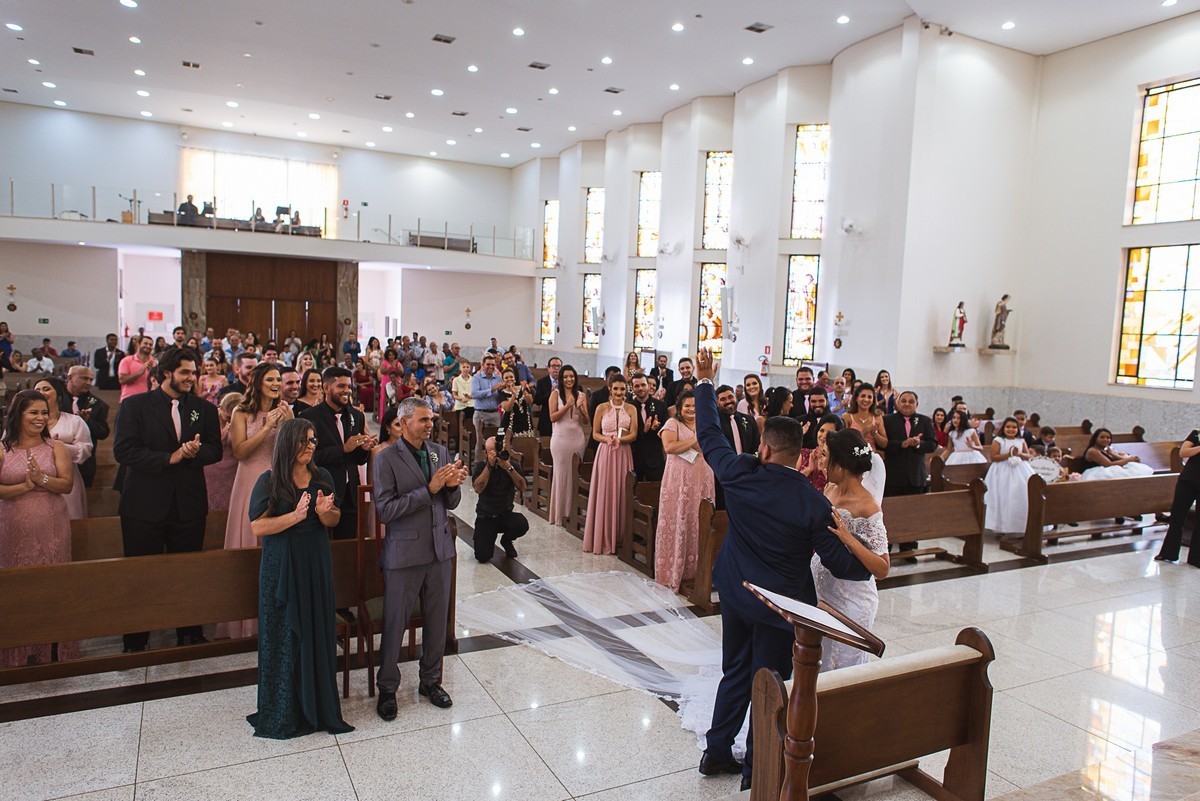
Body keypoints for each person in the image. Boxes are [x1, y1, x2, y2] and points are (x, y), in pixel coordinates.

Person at [689, 350, 870, 789]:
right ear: (798, 452)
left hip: (736, 590)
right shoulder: (813, 502)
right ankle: (755, 769)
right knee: (769, 683)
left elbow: (710, 434)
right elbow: (843, 565)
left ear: (765, 447)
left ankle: (716, 751)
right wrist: (867, 553)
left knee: (735, 670)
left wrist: (705, 382)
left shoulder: (738, 473)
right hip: (780, 606)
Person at [245, 418, 354, 739]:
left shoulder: (322, 477)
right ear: (287, 443)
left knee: (316, 630)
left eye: (313, 441)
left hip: (314, 560)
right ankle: (284, 709)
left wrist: (323, 512)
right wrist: (293, 516)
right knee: (282, 633)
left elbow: (333, 519)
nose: (310, 446)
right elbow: (258, 527)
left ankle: (317, 706)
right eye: (304, 441)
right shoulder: (270, 481)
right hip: (281, 564)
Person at [113, 347, 221, 651]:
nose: (191, 377)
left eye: (193, 372)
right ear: (165, 374)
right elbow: (124, 450)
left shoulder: (204, 409)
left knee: (187, 571)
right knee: (141, 573)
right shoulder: (135, 406)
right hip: (143, 504)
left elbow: (216, 449)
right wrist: (169, 457)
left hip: (188, 504)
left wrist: (196, 453)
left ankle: (189, 631)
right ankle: (136, 636)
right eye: (185, 372)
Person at [372, 397, 468, 720]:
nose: (430, 425)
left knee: (437, 619)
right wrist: (429, 488)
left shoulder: (438, 452)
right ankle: (387, 687)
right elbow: (385, 511)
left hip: (440, 549)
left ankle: (431, 681)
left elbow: (449, 502)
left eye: (431, 420)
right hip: (405, 552)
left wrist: (452, 487)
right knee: (395, 622)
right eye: (424, 420)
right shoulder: (386, 459)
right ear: (405, 421)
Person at [0, 390, 76, 667]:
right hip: (12, 527)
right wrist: (24, 486)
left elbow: (66, 485)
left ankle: (52, 649)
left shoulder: (55, 448)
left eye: (44, 412)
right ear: (18, 414)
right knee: (17, 587)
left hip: (51, 525)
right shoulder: (2, 449)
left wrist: (41, 478)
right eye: (34, 412)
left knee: (51, 585)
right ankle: (17, 649)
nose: (41, 418)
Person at [219, 363, 292, 638]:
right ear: (258, 382)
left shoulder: (286, 410)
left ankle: (276, 615)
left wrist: (284, 422)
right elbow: (240, 452)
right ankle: (247, 621)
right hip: (250, 479)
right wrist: (266, 427)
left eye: (278, 379)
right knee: (251, 543)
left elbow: (292, 448)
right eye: (271, 379)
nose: (276, 384)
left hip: (278, 480)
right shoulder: (241, 412)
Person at [815, 429, 890, 671]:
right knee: (820, 662)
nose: (821, 459)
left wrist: (849, 539)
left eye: (826, 456)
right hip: (823, 592)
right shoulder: (830, 488)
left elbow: (883, 568)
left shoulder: (867, 507)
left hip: (851, 600)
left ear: (842, 466)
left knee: (844, 667)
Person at [300, 367, 373, 540]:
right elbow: (308, 457)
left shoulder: (357, 416)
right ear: (326, 388)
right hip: (321, 489)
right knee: (319, 539)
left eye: (349, 386)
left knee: (346, 542)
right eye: (341, 386)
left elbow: (358, 460)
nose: (346, 391)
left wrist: (364, 450)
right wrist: (343, 449)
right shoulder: (309, 417)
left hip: (350, 492)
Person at [654, 390, 714, 592]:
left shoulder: (706, 424)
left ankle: (697, 572)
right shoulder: (672, 424)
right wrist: (695, 441)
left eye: (696, 406)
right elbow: (669, 447)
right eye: (687, 406)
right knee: (679, 518)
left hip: (702, 480)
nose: (691, 410)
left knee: (698, 521)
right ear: (679, 407)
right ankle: (673, 571)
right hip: (679, 481)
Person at [583, 373, 636, 555]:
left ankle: (620, 535)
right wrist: (607, 439)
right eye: (616, 389)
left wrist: (621, 440)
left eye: (622, 389)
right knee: (606, 490)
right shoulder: (601, 408)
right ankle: (603, 535)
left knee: (621, 490)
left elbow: (634, 434)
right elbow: (595, 433)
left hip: (623, 453)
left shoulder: (631, 409)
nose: (619, 392)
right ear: (610, 389)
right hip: (605, 452)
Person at [34, 376, 92, 519]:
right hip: (32, 481)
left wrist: (57, 447)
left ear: (58, 394)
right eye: (37, 390)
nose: (41, 392)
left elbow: (85, 451)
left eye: (46, 389)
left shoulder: (74, 421)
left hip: (66, 479)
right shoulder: (23, 423)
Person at [471, 436, 529, 561]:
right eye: (492, 452)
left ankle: (506, 541)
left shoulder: (511, 466)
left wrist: (508, 467)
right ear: (486, 453)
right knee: (482, 557)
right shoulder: (481, 466)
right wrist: (489, 467)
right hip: (486, 517)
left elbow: (523, 487)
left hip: (505, 515)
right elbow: (478, 488)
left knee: (521, 523)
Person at [548, 364, 590, 525]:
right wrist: (567, 405)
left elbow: (586, 421)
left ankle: (574, 511)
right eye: (565, 377)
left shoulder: (581, 395)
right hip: (560, 439)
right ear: (561, 379)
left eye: (571, 376)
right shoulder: (555, 394)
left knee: (574, 474)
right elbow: (553, 417)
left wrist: (583, 410)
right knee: (561, 474)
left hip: (577, 439)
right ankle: (559, 514)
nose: (569, 379)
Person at [981, 416, 1036, 535]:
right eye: (1008, 427)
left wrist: (1019, 454)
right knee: (1003, 497)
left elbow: (1027, 456)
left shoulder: (1021, 441)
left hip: (1020, 470)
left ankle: (1021, 526)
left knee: (1019, 495)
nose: (1011, 429)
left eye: (1014, 427)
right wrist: (1009, 454)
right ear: (1003, 428)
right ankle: (1001, 527)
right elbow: (993, 457)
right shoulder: (999, 440)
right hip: (1002, 471)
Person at [1155, 429, 1200, 565]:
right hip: (1187, 481)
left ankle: (1196, 558)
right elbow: (1183, 452)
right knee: (1177, 516)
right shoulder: (1196, 434)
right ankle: (1168, 553)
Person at [841, 383, 887, 504]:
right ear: (856, 398)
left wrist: (875, 434)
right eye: (863, 396)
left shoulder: (877, 417)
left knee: (872, 498)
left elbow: (885, 443)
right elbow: (843, 443)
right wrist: (863, 432)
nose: (866, 400)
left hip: (872, 463)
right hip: (852, 463)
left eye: (869, 397)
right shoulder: (846, 417)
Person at [64, 365, 110, 488]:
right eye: (84, 378)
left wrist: (87, 422)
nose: (89, 383)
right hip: (56, 461)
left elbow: (103, 433)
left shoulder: (98, 404)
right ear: (69, 378)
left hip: (84, 464)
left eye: (91, 379)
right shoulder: (56, 400)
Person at [205, 391, 242, 512]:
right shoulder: (209, 418)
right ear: (220, 409)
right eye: (227, 417)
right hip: (211, 471)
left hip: (234, 472)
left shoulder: (244, 418)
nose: (230, 421)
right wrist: (219, 439)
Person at [628, 372, 667, 482]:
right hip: (634, 458)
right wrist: (643, 431)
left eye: (643, 385)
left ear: (648, 386)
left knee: (654, 493)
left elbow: (666, 431)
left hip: (655, 458)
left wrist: (657, 428)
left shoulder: (661, 405)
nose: (640, 388)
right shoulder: (629, 407)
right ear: (632, 388)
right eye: (636, 386)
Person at [1078, 429, 1155, 480]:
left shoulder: (1104, 450)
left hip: (1106, 471)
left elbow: (1119, 460)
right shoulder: (1093, 451)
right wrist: (1129, 459)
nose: (1105, 439)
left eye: (1108, 438)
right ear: (1095, 438)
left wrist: (1112, 453)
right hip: (1095, 474)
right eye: (1102, 437)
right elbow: (1108, 464)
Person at [470, 354, 504, 460]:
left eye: (493, 365)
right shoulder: (476, 378)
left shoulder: (498, 378)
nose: (490, 367)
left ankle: (496, 463)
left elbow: (500, 396)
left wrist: (501, 391)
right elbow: (475, 394)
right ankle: (479, 466)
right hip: (481, 413)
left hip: (495, 413)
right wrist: (492, 390)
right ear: (482, 365)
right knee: (480, 441)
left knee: (497, 441)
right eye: (488, 364)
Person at [799, 414, 843, 493]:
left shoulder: (839, 460)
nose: (823, 436)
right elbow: (793, 481)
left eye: (829, 433)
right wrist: (809, 468)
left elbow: (840, 489)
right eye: (821, 430)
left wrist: (823, 468)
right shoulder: (804, 453)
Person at [497, 367, 535, 438]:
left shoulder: (523, 388)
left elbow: (530, 402)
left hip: (525, 422)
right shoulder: (502, 394)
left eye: (511, 377)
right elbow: (507, 408)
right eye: (506, 377)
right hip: (510, 425)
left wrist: (524, 391)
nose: (509, 379)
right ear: (503, 380)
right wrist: (514, 395)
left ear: (514, 378)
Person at [534, 357, 563, 438]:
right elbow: (537, 401)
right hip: (546, 419)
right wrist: (550, 394)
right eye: (554, 366)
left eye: (559, 366)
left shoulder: (565, 382)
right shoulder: (542, 382)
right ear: (548, 368)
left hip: (562, 420)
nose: (556, 369)